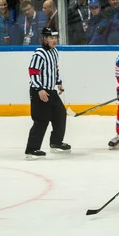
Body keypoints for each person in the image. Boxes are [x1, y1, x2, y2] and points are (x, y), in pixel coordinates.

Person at [24, 27, 70, 159]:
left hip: (51, 90)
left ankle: (56, 142)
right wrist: (39, 89)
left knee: (60, 114)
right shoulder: (39, 53)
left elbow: (54, 69)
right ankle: (31, 149)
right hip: (40, 90)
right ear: (45, 39)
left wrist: (59, 82)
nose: (54, 40)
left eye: (55, 38)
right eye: (51, 38)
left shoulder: (54, 52)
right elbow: (33, 71)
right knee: (41, 120)